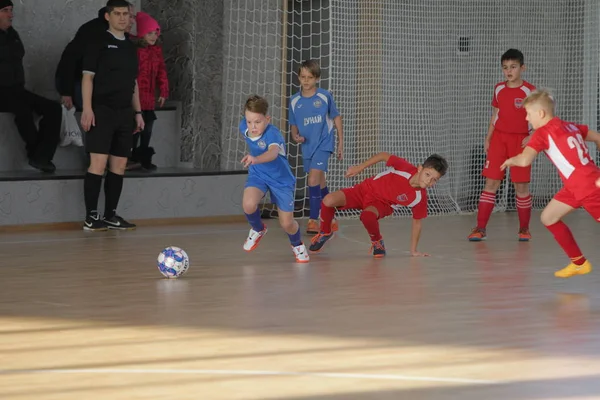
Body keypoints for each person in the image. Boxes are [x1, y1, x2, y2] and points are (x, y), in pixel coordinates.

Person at [501, 89, 600, 278]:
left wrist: (510, 160)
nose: (527, 120)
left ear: (541, 114)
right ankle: (579, 263)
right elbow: (597, 137)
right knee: (548, 217)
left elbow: (524, 161)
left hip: (588, 188)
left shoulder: (542, 133)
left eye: (528, 114)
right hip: (576, 185)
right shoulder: (569, 126)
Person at [309, 152, 448, 258]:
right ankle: (325, 231)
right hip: (364, 190)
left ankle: (377, 241)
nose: (429, 181)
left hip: (382, 204)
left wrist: (414, 250)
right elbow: (383, 156)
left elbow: (417, 223)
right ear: (420, 169)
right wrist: (359, 168)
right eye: (428, 174)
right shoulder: (405, 167)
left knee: (367, 216)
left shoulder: (419, 198)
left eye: (434, 180)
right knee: (328, 200)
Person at [80, 0, 143, 231]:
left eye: (126, 14)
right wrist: (87, 109)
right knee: (98, 164)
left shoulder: (130, 46)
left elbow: (133, 82)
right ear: (108, 16)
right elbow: (87, 78)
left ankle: (110, 215)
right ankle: (90, 216)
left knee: (119, 165)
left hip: (125, 112)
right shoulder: (98, 43)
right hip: (101, 111)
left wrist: (138, 112)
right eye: (117, 14)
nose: (123, 18)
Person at [468, 49, 536, 242]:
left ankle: (524, 229)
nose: (509, 71)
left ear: (522, 68)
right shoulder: (498, 88)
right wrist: (488, 137)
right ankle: (480, 228)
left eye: (513, 67)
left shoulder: (530, 91)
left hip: (521, 142)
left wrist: (533, 136)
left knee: (520, 186)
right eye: (505, 68)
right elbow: (496, 114)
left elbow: (542, 117)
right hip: (499, 139)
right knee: (491, 183)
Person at [240, 95, 309, 263]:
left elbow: (272, 153)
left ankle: (297, 244)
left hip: (281, 180)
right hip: (259, 174)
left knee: (287, 224)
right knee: (248, 204)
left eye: (257, 122)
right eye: (249, 122)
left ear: (267, 119)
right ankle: (258, 229)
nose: (253, 126)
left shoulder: (273, 134)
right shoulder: (244, 127)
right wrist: (255, 163)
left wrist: (255, 159)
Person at [0, 0, 61, 172]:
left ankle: (41, 156)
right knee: (22, 109)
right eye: (5, 10)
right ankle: (36, 152)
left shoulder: (13, 35)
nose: (10, 15)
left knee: (54, 109)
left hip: (17, 89)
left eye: (11, 10)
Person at [289, 59, 343, 234]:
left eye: (310, 77)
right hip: (307, 146)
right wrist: (295, 136)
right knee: (320, 184)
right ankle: (331, 216)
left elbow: (336, 118)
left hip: (323, 144)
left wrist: (340, 143)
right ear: (298, 78)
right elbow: (293, 124)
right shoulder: (294, 100)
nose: (306, 81)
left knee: (312, 180)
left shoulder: (324, 96)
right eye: (303, 77)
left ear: (317, 79)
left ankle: (313, 220)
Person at [55, 1, 135, 111]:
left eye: (129, 16)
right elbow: (70, 59)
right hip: (77, 80)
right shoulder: (93, 31)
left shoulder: (122, 36)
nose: (131, 21)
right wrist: (66, 92)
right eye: (128, 16)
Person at [128, 11, 169, 171]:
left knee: (148, 129)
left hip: (149, 99)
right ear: (141, 35)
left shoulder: (156, 51)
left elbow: (161, 72)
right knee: (135, 130)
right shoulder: (136, 51)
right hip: (136, 98)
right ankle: (130, 157)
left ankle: (143, 157)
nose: (153, 36)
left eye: (155, 33)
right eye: (149, 33)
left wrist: (164, 91)